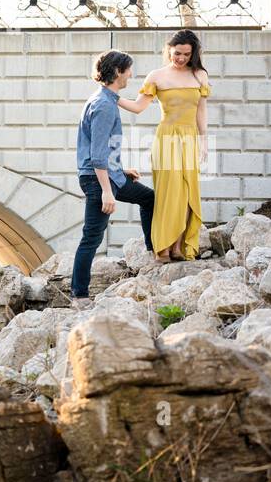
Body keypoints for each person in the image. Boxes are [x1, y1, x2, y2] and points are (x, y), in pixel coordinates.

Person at [116, 28, 210, 261]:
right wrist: (112, 96)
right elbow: (138, 107)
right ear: (169, 50)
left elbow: (201, 109)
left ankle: (178, 247)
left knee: (188, 192)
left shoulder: (200, 75)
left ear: (193, 54)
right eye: (177, 53)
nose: (181, 58)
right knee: (169, 193)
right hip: (166, 138)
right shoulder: (156, 76)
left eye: (187, 55)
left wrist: (204, 140)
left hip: (190, 138)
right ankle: (163, 248)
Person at [72, 49, 154, 307]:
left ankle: (153, 254)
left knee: (148, 198)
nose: (131, 74)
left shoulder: (104, 99)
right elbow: (97, 155)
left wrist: (121, 169)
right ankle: (79, 296)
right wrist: (107, 191)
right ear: (118, 72)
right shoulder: (104, 105)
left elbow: (104, 152)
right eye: (129, 69)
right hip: (98, 180)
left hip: (110, 175)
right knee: (92, 237)